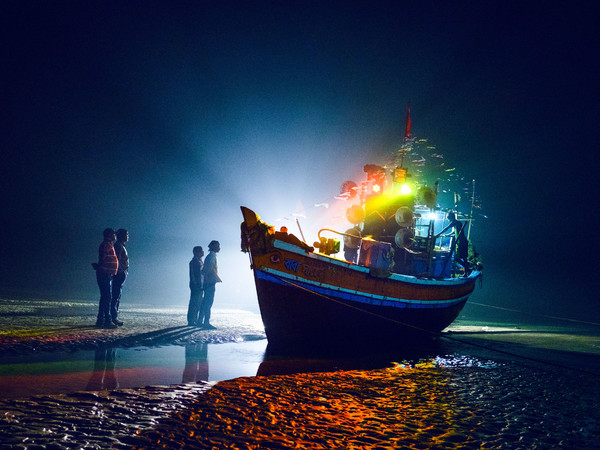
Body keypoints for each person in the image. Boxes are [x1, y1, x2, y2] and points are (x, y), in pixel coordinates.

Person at [93, 228, 119, 328]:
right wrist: (100, 266)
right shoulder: (106, 244)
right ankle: (106, 321)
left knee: (105, 297)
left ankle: (101, 320)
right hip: (104, 273)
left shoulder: (108, 244)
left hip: (106, 273)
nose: (115, 236)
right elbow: (103, 257)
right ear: (109, 234)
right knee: (107, 297)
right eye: (114, 234)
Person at [435, 212, 470, 276]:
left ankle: (467, 269)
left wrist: (438, 234)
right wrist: (447, 235)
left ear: (451, 218)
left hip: (462, 242)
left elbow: (446, 228)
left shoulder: (456, 222)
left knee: (460, 258)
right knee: (462, 258)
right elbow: (454, 232)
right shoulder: (456, 224)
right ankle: (467, 270)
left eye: (448, 218)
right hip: (461, 242)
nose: (448, 220)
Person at [199, 240, 221, 329]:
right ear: (214, 247)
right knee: (208, 302)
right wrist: (215, 278)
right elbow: (209, 270)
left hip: (208, 281)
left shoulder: (210, 256)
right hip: (210, 282)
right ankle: (206, 322)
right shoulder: (211, 257)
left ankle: (200, 320)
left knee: (205, 301)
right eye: (218, 246)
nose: (219, 248)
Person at [111, 229, 129, 326]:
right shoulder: (119, 246)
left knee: (117, 296)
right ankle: (113, 317)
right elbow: (117, 260)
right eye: (126, 234)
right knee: (115, 296)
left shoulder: (120, 246)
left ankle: (114, 316)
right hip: (119, 274)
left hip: (121, 273)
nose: (127, 236)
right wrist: (119, 272)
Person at [187, 246, 204, 326]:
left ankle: (194, 319)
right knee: (194, 302)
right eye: (201, 251)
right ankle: (191, 320)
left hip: (200, 285)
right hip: (196, 285)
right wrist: (195, 284)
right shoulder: (194, 262)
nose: (203, 252)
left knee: (198, 303)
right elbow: (193, 275)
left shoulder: (199, 261)